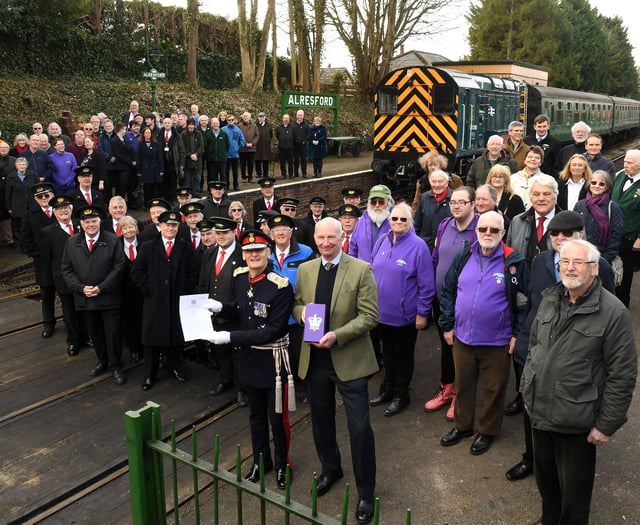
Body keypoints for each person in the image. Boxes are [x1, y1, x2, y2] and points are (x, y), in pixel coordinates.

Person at [522, 239, 636, 525]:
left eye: (577, 262)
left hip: (576, 420)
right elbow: (534, 346)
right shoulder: (550, 297)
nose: (569, 268)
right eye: (564, 262)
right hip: (540, 411)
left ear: (594, 269)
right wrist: (527, 390)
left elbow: (622, 374)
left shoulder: (613, 312)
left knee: (574, 499)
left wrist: (606, 424)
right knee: (546, 485)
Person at [505, 212, 616, 483]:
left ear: (581, 235)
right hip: (534, 346)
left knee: (566, 410)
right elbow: (530, 302)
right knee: (530, 404)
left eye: (567, 234)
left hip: (574, 353)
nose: (560, 239)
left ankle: (561, 468)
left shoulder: (597, 265)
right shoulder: (542, 260)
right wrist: (520, 334)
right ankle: (531, 459)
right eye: (555, 234)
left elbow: (607, 310)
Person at [293, 217, 378, 524]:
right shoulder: (306, 269)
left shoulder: (360, 269)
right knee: (321, 421)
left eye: (332, 237)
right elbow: (298, 303)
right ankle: (331, 469)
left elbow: (370, 317)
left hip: (349, 359)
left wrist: (337, 336)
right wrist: (302, 314)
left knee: (359, 428)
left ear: (343, 236)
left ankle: (366, 491)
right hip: (315, 361)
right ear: (314, 238)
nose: (326, 242)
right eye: (321, 237)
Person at [207, 229, 295, 489]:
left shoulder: (280, 286)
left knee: (277, 418)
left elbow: (272, 330)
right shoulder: (240, 277)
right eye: (248, 252)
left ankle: (282, 463)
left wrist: (230, 337)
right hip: (249, 359)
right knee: (255, 416)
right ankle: (261, 461)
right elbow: (241, 307)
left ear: (268, 253)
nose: (253, 255)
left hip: (273, 360)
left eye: (258, 251)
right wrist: (222, 307)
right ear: (243, 255)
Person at [439, 211, 529, 455]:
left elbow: (524, 302)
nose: (487, 234)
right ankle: (462, 426)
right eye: (483, 229)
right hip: (462, 337)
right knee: (464, 385)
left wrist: (517, 335)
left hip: (497, 341)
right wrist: (447, 324)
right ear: (477, 231)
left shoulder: (514, 262)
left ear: (503, 233)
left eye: (493, 230)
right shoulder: (465, 255)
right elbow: (448, 290)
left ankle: (487, 431)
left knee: (493, 389)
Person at [370, 202, 435, 416]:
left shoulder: (418, 247)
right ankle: (387, 388)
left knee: (403, 357)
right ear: (389, 220)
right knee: (387, 354)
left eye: (403, 219)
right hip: (381, 314)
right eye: (395, 219)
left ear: (410, 222)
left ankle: (401, 394)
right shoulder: (382, 240)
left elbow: (426, 285)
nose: (398, 222)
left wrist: (422, 313)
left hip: (405, 317)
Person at [425, 186, 478, 421]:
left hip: (464, 302)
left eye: (461, 202)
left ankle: (460, 393)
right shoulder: (445, 225)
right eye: (452, 202)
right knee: (445, 346)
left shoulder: (479, 229)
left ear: (473, 204)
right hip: (441, 300)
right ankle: (446, 387)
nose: (456, 206)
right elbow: (436, 257)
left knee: (462, 350)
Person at [132, 210, 198, 390]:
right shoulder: (148, 246)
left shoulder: (185, 247)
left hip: (177, 300)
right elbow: (137, 272)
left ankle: (174, 366)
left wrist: (185, 290)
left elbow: (193, 272)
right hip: (155, 301)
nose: (171, 228)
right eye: (167, 225)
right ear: (160, 226)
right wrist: (149, 289)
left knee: (175, 336)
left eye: (174, 225)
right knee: (152, 339)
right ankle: (150, 374)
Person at [61, 205, 127, 384]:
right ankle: (102, 361)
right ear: (81, 224)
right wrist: (81, 288)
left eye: (94, 221)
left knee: (113, 333)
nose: (91, 224)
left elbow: (119, 267)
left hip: (109, 297)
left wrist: (102, 287)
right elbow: (66, 269)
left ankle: (116, 365)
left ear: (100, 222)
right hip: (86, 298)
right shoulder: (72, 243)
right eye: (87, 222)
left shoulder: (113, 240)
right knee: (95, 332)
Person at [197, 216, 248, 405]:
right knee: (220, 351)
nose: (220, 236)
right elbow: (204, 282)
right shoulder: (209, 254)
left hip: (235, 314)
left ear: (234, 232)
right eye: (218, 233)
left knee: (238, 352)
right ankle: (225, 380)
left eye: (225, 233)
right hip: (213, 315)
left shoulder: (242, 255)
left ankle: (241, 388)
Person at [267, 214, 314, 400]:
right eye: (276, 230)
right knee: (278, 353)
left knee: (299, 353)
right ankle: (284, 386)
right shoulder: (265, 254)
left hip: (298, 313)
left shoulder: (305, 252)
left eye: (284, 229)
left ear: (291, 232)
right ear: (271, 234)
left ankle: (303, 387)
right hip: (275, 314)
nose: (281, 233)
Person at [40, 195, 81, 356]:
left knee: (84, 310)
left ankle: (86, 337)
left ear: (71, 209)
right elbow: (46, 258)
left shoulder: (80, 225)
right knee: (69, 312)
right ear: (54, 213)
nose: (63, 211)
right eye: (59, 209)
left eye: (66, 208)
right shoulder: (48, 232)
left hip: (84, 277)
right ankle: (73, 341)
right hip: (63, 279)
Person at [21, 182, 56, 337]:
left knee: (68, 296)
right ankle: (48, 323)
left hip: (63, 262)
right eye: (40, 196)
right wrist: (37, 255)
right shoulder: (29, 216)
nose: (43, 198)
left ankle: (72, 323)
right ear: (35, 199)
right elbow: (26, 239)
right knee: (47, 295)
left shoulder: (61, 210)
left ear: (52, 195)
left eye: (46, 195)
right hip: (43, 263)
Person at [507, 174, 560, 263]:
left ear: (555, 197)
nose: (541, 198)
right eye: (536, 194)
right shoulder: (517, 222)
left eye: (546, 194)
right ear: (530, 198)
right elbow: (509, 256)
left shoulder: (569, 223)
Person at [610, 149, 640, 307]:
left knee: (626, 272)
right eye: (625, 161)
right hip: (612, 233)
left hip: (629, 236)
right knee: (610, 268)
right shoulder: (620, 175)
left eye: (630, 163)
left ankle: (622, 305)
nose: (625, 165)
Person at [574, 170, 623, 263]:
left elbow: (616, 234)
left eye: (601, 184)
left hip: (602, 256)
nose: (597, 186)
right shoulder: (580, 205)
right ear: (589, 184)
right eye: (594, 182)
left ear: (607, 187)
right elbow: (573, 229)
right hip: (580, 254)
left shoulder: (613, 207)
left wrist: (605, 259)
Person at [117, 214, 143, 364]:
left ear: (136, 228)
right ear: (121, 230)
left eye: (131, 226)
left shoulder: (144, 243)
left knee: (142, 319)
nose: (128, 230)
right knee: (128, 321)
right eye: (125, 227)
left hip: (142, 291)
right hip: (124, 291)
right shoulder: (117, 245)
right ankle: (134, 350)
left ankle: (144, 346)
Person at [413, 169, 451, 250]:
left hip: (445, 246)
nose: (437, 185)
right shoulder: (424, 197)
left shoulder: (454, 198)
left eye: (440, 181)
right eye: (434, 181)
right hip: (426, 246)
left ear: (447, 183)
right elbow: (417, 224)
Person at [5, 157, 38, 244]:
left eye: (24, 164)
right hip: (18, 207)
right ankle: (24, 245)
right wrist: (9, 208)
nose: (22, 166)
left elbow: (38, 190)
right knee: (21, 228)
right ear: (16, 166)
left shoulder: (33, 175)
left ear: (27, 165)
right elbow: (8, 194)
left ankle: (34, 243)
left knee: (33, 225)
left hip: (32, 205)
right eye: (20, 164)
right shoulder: (11, 177)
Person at [157, 117, 185, 200]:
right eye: (165, 123)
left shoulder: (177, 135)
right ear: (163, 124)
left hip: (173, 162)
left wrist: (182, 163)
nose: (167, 124)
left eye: (168, 123)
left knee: (173, 181)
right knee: (164, 181)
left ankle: (173, 198)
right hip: (163, 162)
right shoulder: (159, 135)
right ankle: (166, 198)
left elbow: (181, 150)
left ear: (172, 124)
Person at [510, 145, 545, 209]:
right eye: (530, 157)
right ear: (525, 160)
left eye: (537, 158)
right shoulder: (513, 178)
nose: (533, 159)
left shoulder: (546, 180)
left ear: (540, 162)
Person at [136, 126, 164, 203]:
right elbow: (138, 158)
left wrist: (161, 170)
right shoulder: (141, 145)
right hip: (145, 170)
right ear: (143, 134)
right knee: (147, 188)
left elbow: (160, 158)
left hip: (155, 169)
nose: (148, 134)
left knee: (155, 188)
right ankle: (147, 204)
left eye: (149, 133)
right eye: (146, 133)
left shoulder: (156, 144)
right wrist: (138, 171)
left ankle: (155, 203)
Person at [181, 119, 204, 197]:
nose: (191, 126)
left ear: (195, 125)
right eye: (189, 124)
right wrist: (190, 155)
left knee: (197, 178)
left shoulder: (199, 133)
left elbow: (201, 146)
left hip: (197, 161)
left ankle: (196, 192)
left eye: (192, 124)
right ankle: (187, 192)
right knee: (187, 178)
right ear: (187, 125)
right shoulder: (183, 134)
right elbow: (183, 147)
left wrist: (196, 154)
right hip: (187, 161)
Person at [222, 114, 245, 191]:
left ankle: (236, 185)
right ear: (227, 121)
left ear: (234, 120)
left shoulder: (238, 129)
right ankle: (226, 185)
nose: (231, 121)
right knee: (226, 171)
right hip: (226, 154)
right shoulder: (223, 129)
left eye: (232, 120)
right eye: (229, 120)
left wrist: (238, 148)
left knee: (235, 171)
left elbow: (242, 140)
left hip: (235, 154)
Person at [205, 117, 230, 185]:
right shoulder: (208, 135)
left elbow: (227, 146)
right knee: (212, 177)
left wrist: (222, 153)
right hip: (212, 160)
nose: (216, 125)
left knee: (223, 176)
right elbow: (206, 147)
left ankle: (223, 190)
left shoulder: (224, 134)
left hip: (222, 159)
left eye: (217, 123)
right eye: (214, 123)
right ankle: (212, 190)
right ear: (211, 124)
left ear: (219, 124)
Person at [238, 111, 259, 183]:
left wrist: (252, 143)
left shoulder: (254, 126)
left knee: (251, 164)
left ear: (250, 117)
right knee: (242, 164)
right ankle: (244, 177)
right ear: (242, 117)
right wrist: (244, 143)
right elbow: (238, 136)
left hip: (251, 148)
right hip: (242, 148)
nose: (245, 117)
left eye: (247, 116)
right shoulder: (239, 125)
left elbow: (257, 135)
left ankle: (250, 177)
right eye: (244, 116)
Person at [254, 111, 273, 179]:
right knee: (257, 160)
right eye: (260, 117)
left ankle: (266, 174)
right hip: (258, 145)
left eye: (262, 117)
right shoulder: (255, 125)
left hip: (266, 145)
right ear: (258, 118)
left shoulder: (269, 125)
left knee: (266, 160)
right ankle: (258, 173)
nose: (261, 118)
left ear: (265, 117)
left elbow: (271, 135)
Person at [275, 114, 294, 179]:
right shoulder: (279, 128)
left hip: (290, 148)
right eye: (285, 118)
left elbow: (294, 136)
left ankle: (291, 174)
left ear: (289, 119)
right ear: (282, 119)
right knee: (282, 162)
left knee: (290, 162)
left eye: (287, 118)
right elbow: (277, 136)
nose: (286, 120)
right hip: (282, 148)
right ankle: (283, 174)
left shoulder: (292, 127)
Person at [292, 109, 309, 178]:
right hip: (295, 145)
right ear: (296, 116)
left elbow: (308, 134)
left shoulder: (306, 125)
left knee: (303, 160)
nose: (299, 116)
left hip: (303, 145)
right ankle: (295, 173)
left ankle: (304, 173)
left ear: (303, 116)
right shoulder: (293, 125)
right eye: (298, 115)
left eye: (301, 115)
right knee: (295, 160)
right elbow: (291, 134)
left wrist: (304, 141)